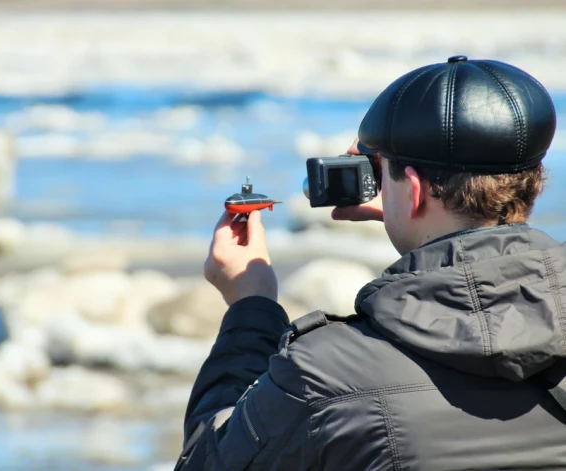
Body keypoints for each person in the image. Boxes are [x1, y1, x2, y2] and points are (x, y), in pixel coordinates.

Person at [174, 56, 566, 470]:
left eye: (383, 172)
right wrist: (416, 219)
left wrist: (250, 306)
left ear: (413, 190)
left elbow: (206, 461)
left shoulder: (324, 373)